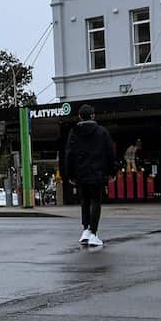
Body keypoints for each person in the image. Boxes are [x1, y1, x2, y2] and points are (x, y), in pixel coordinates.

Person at [64, 103, 115, 248]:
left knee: (84, 201)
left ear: (80, 116)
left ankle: (85, 229)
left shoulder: (74, 132)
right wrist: (112, 171)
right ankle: (93, 233)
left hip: (80, 174)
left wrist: (70, 174)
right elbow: (110, 153)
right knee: (96, 202)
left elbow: (69, 154)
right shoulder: (102, 132)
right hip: (97, 173)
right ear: (93, 115)